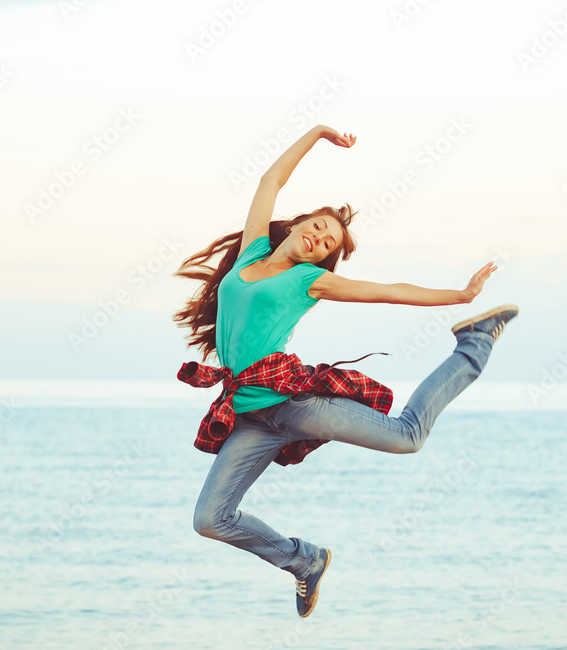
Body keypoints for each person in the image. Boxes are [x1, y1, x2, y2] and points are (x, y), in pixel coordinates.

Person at [173, 124, 518, 618]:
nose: (318, 238)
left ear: (324, 258)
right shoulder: (251, 253)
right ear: (295, 226)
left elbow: (388, 290)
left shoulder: (310, 280)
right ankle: (305, 560)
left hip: (295, 406)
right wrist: (315, 135)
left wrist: (459, 297)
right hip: (249, 418)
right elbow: (270, 181)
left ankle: (475, 343)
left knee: (408, 437)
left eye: (328, 241)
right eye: (316, 227)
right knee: (210, 519)